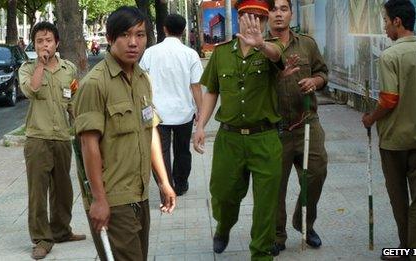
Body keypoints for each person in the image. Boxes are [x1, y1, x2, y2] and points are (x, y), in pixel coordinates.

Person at [73, 6, 176, 260]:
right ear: (110, 39)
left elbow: (150, 131)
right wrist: (98, 199)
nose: (133, 43)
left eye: (140, 35)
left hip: (139, 194)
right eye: (125, 35)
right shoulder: (95, 84)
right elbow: (88, 145)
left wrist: (163, 181)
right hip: (113, 200)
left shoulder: (143, 79)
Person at [193, 0, 288, 259]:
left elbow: (278, 56)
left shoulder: (272, 48)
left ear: (266, 21)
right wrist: (200, 125)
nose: (254, 22)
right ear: (239, 16)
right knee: (223, 195)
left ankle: (261, 254)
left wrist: (260, 44)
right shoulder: (222, 53)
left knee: (265, 206)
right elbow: (212, 91)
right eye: (248, 16)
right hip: (230, 139)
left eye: (260, 17)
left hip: (265, 139)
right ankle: (223, 227)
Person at [362, 1, 416, 260]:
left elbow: (389, 99)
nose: (384, 27)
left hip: (395, 141)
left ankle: (408, 251)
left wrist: (371, 118)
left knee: (399, 198)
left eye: (385, 20)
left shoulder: (389, 55)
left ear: (397, 21)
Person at [18, 21, 85, 260]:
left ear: (57, 43)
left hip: (62, 138)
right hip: (38, 138)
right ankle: (41, 239)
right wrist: (41, 66)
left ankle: (60, 231)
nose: (44, 45)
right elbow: (33, 90)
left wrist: (81, 129)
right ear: (34, 45)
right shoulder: (26, 69)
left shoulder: (69, 69)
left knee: (64, 190)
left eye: (48, 40)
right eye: (39, 41)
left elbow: (73, 102)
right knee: (38, 192)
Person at [267, 0, 329, 255]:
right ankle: (277, 235)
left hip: (307, 123)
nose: (278, 14)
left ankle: (304, 222)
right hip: (274, 128)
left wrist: (315, 80)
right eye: (273, 9)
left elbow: (323, 74)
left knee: (316, 173)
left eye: (283, 8)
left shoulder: (307, 44)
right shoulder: (258, 48)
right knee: (275, 186)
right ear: (266, 14)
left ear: (291, 13)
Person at [140, 14, 203, 196]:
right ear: (183, 31)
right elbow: (196, 86)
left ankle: (164, 187)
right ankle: (181, 184)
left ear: (164, 29)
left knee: (160, 152)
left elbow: (142, 82)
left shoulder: (150, 53)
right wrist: (201, 111)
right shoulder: (190, 54)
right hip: (184, 112)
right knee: (183, 150)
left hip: (157, 114)